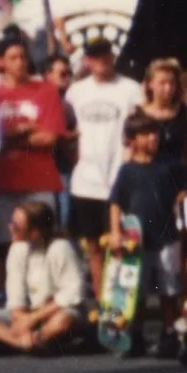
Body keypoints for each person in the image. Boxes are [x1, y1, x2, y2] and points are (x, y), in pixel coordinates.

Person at [106, 113, 187, 357]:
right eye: (145, 134)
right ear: (132, 140)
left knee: (169, 289)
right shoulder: (127, 170)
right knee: (136, 290)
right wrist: (115, 232)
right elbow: (116, 202)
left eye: (155, 133)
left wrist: (183, 194)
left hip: (167, 236)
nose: (153, 138)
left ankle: (169, 333)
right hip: (137, 240)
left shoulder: (169, 164)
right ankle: (135, 334)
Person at [63, 35, 143, 296]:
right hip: (85, 181)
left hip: (120, 179)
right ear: (87, 60)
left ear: (113, 56)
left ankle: (121, 302)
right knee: (93, 247)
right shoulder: (75, 92)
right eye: (95, 56)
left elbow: (138, 129)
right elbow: (68, 133)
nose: (101, 60)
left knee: (122, 245)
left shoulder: (131, 89)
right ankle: (101, 303)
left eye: (105, 54)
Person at [0, 38, 68, 253]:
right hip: (2, 183)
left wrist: (7, 138)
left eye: (23, 57)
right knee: (6, 245)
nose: (20, 62)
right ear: (2, 63)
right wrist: (24, 130)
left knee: (44, 243)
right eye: (13, 58)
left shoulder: (46, 91)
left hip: (39, 181)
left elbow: (49, 138)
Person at [0, 198, 86, 354]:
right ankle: (24, 343)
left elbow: (73, 293)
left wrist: (33, 318)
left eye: (16, 226)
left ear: (35, 232)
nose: (10, 228)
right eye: (11, 223)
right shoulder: (17, 249)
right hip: (28, 313)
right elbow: (15, 295)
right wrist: (21, 320)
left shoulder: (60, 248)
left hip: (55, 311)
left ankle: (38, 338)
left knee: (62, 321)